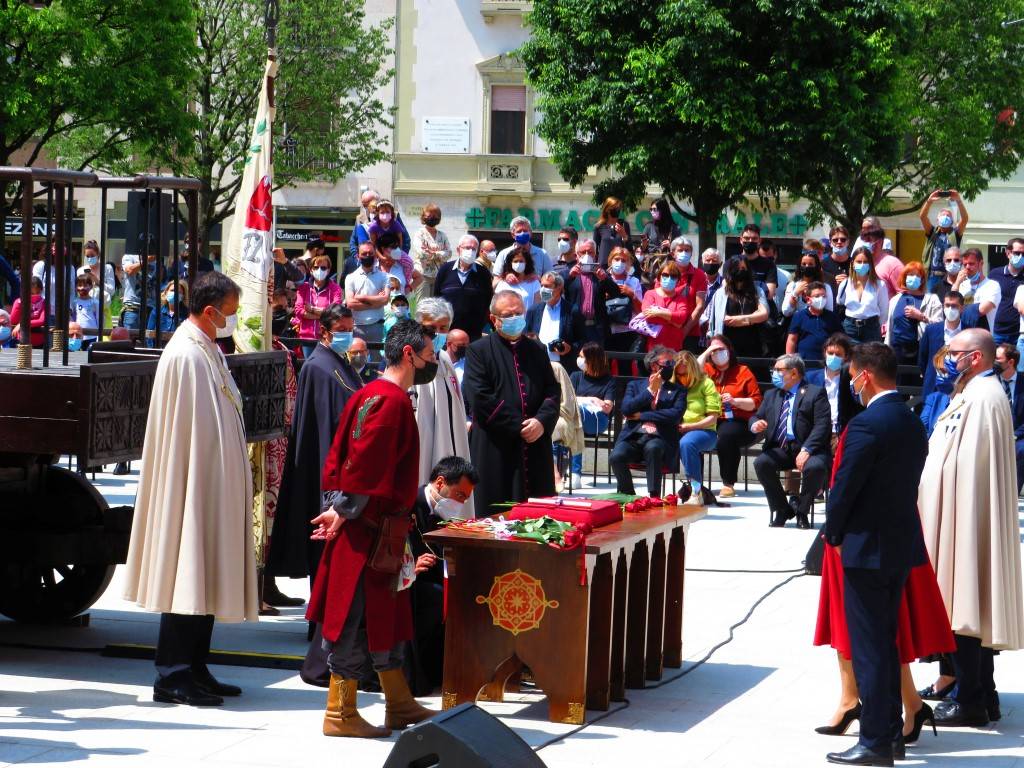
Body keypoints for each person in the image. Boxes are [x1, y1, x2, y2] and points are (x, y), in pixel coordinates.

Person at [123, 271, 253, 707]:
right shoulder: (186, 355)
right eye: (231, 314)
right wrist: (203, 483)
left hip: (211, 484)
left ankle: (196, 668)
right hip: (193, 486)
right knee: (188, 573)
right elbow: (188, 433)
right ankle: (173, 675)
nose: (233, 320)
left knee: (206, 576)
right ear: (210, 310)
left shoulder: (207, 349)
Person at [307, 320, 439, 738]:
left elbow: (345, 457)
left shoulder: (372, 393)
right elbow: (364, 465)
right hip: (368, 533)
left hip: (380, 530)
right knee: (355, 618)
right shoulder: (389, 401)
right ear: (409, 355)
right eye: (429, 356)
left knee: (387, 615)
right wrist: (343, 510)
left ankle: (398, 703)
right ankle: (340, 713)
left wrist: (339, 508)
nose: (431, 362)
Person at [820, 343, 939, 767]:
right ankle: (889, 734)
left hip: (866, 549)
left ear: (865, 375)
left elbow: (845, 488)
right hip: (900, 546)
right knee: (884, 643)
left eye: (852, 374)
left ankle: (874, 740)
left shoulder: (867, 424)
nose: (850, 381)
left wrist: (831, 535)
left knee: (871, 647)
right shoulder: (912, 420)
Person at [918, 329, 1024, 728]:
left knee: (964, 602)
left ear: (975, 358)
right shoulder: (970, 394)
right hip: (953, 510)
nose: (948, 359)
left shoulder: (984, 398)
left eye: (955, 353)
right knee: (963, 603)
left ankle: (971, 698)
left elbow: (970, 466)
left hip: (966, 513)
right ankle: (982, 694)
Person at [267, 303, 363, 585]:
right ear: (325, 332)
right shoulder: (317, 367)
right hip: (326, 467)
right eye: (341, 330)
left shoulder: (340, 363)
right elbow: (321, 426)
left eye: (350, 329)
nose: (346, 334)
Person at [462, 291, 561, 516]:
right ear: (494, 319)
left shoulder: (537, 349)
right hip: (496, 446)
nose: (515, 318)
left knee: (538, 514)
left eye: (519, 313)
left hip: (536, 442)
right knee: (496, 515)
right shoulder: (478, 351)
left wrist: (541, 422)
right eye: (508, 314)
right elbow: (480, 397)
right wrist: (520, 426)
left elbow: (552, 391)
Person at [407, 457, 479, 695]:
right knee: (437, 599)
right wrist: (409, 565)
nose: (461, 504)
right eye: (459, 495)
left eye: (466, 499)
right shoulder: (408, 504)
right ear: (440, 482)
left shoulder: (439, 510)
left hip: (429, 578)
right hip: (403, 583)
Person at [751, 353, 831, 529]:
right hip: (782, 447)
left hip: (810, 449)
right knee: (762, 463)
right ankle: (782, 509)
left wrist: (807, 449)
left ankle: (802, 511)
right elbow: (757, 416)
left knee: (816, 467)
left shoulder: (815, 393)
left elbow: (822, 426)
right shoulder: (772, 394)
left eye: (779, 370)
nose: (774, 373)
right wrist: (755, 424)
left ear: (794, 373)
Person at [413, 297, 473, 516]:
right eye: (431, 328)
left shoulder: (445, 359)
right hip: (426, 448)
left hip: (451, 444)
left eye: (443, 328)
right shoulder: (415, 362)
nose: (437, 333)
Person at [609, 346, 686, 498]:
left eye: (672, 363)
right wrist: (650, 391)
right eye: (667, 363)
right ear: (654, 366)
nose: (670, 367)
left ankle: (654, 496)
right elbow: (626, 409)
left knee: (653, 448)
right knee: (616, 456)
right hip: (634, 436)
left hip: (660, 438)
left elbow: (675, 415)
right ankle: (628, 495)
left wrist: (643, 415)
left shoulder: (679, 390)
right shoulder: (635, 386)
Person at [698, 335, 761, 498]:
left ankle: (728, 483)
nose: (717, 353)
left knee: (725, 436)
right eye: (714, 351)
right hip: (711, 418)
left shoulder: (743, 371)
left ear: (729, 351)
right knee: (693, 436)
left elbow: (755, 402)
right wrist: (708, 352)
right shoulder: (707, 370)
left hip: (738, 420)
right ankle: (695, 484)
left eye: (721, 349)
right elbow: (694, 370)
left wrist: (735, 401)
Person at [673, 350, 720, 499]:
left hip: (704, 431)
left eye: (686, 374)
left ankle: (696, 490)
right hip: (678, 429)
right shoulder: (673, 385)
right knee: (654, 444)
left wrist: (690, 427)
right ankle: (654, 493)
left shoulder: (706, 383)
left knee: (687, 443)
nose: (683, 378)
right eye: (679, 375)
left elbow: (712, 418)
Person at [569, 342, 615, 488]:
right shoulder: (576, 376)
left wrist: (585, 401)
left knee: (573, 418)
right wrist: (591, 399)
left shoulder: (608, 381)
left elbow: (607, 407)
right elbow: (566, 399)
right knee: (573, 422)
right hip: (576, 419)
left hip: (597, 421)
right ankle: (574, 473)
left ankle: (565, 467)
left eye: (582, 356)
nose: (579, 359)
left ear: (592, 359)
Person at [433, 234, 494, 341]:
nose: (470, 251)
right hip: (447, 331)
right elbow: (436, 298)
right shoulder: (445, 270)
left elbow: (488, 301)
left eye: (473, 249)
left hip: (473, 333)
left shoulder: (483, 273)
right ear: (458, 249)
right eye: (467, 248)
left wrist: (481, 323)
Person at [805, 334, 861, 449]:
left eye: (838, 354)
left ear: (846, 357)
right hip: (815, 433)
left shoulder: (852, 380)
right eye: (830, 353)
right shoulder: (809, 378)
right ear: (824, 353)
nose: (834, 357)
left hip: (841, 433)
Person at [707, 257, 770, 358]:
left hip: (754, 347)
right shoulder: (721, 293)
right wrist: (753, 317)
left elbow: (764, 314)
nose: (741, 271)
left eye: (743, 268)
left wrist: (740, 320)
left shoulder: (757, 291)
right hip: (728, 347)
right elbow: (720, 320)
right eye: (737, 268)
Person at [562, 237, 619, 345]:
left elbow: (616, 292)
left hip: (596, 328)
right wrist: (570, 277)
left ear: (595, 255)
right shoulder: (568, 273)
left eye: (590, 252)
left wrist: (605, 279)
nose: (587, 255)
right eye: (583, 252)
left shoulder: (600, 273)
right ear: (577, 255)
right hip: (575, 328)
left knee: (596, 361)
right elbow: (556, 291)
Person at [526, 271, 583, 370]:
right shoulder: (533, 310)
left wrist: (570, 348)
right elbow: (525, 335)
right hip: (538, 365)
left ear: (559, 287)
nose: (543, 289)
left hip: (563, 366)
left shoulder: (572, 310)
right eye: (542, 285)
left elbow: (582, 339)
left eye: (547, 286)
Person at [918, 291, 967, 399]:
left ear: (961, 308)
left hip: (960, 388)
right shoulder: (931, 330)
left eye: (954, 306)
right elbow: (923, 359)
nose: (950, 309)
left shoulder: (969, 332)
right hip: (933, 387)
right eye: (947, 305)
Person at [294, 253, 343, 359]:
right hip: (307, 338)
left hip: (327, 338)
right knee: (310, 366)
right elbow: (298, 311)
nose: (319, 270)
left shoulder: (335, 289)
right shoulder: (303, 288)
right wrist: (323, 314)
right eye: (316, 267)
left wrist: (312, 309)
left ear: (328, 270)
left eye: (323, 267)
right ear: (311, 270)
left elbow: (335, 311)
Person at [604, 247, 645, 375]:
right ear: (611, 260)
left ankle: (625, 392)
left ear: (628, 263)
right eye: (617, 259)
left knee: (625, 368)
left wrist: (632, 294)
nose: (620, 263)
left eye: (624, 260)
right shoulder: (603, 279)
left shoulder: (634, 281)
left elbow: (641, 311)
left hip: (627, 331)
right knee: (605, 367)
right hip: (607, 330)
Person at [836, 246, 888, 344]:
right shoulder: (845, 284)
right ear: (853, 263)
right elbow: (840, 303)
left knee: (871, 357)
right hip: (849, 328)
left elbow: (884, 311)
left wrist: (875, 325)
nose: (862, 264)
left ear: (871, 264)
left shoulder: (879, 284)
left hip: (871, 328)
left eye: (866, 262)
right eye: (859, 262)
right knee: (850, 357)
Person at [344, 241, 390, 353]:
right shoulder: (350, 277)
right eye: (364, 253)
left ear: (375, 255)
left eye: (370, 253)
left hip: (377, 327)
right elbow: (350, 304)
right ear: (358, 256)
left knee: (376, 365)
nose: (368, 256)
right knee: (356, 364)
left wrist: (361, 297)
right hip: (357, 328)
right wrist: (376, 301)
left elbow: (385, 300)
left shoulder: (384, 276)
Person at [920, 189, 968, 293]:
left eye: (948, 216)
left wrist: (958, 201)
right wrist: (929, 201)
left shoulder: (955, 233)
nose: (945, 217)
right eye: (943, 215)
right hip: (932, 276)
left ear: (952, 221)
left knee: (950, 301)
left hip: (950, 276)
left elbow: (964, 219)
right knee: (931, 303)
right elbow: (923, 217)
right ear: (937, 220)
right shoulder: (932, 232)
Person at [994, 343, 1024, 493]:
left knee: (1021, 450)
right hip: (992, 432)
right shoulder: (990, 381)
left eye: (998, 360)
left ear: (1010, 362)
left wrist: (1014, 435)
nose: (994, 363)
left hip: (1018, 435)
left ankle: (1012, 495)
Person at [885, 263, 928, 366]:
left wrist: (920, 316)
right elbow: (890, 328)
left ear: (922, 279)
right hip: (897, 351)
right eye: (910, 275)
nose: (913, 278)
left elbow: (937, 324)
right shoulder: (895, 300)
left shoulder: (930, 299)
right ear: (904, 278)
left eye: (917, 276)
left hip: (919, 350)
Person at [786, 282, 842, 363]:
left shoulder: (832, 317)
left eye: (823, 296)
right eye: (817, 296)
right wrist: (789, 360)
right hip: (804, 363)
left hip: (826, 363)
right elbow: (792, 340)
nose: (821, 299)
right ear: (808, 299)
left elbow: (840, 339)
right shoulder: (799, 316)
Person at [988, 236, 1024, 345]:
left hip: (1018, 334)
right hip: (996, 331)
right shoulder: (995, 274)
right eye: (1017, 253)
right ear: (1008, 253)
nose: (1021, 256)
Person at [410, 203, 450, 298]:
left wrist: (434, 253)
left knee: (436, 307)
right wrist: (440, 254)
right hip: (422, 275)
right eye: (429, 216)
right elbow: (421, 253)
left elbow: (449, 253)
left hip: (439, 276)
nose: (432, 218)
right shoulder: (419, 234)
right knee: (423, 306)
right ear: (423, 217)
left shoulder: (442, 235)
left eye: (435, 216)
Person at [956, 248, 1000, 332]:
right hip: (962, 334)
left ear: (981, 263)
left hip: (983, 335)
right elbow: (951, 305)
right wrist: (957, 283)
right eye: (965, 265)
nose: (967, 267)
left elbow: (982, 310)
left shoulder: (992, 285)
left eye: (971, 264)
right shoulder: (961, 285)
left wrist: (960, 308)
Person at [782, 248, 834, 317]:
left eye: (810, 264)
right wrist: (795, 293)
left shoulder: (826, 287)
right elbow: (786, 312)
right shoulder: (792, 285)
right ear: (799, 266)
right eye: (804, 264)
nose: (807, 267)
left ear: (816, 266)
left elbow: (829, 312)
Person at [919, 346, 953, 437]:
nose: (940, 375)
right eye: (937, 370)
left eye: (943, 371)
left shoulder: (971, 399)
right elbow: (923, 430)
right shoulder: (934, 398)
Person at [494, 248, 541, 313]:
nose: (518, 264)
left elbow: (538, 308)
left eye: (521, 261)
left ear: (527, 263)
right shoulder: (503, 283)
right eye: (515, 261)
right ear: (510, 263)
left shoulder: (534, 283)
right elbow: (496, 307)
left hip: (527, 322)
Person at [737, 223, 778, 299]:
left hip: (763, 308)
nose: (750, 241)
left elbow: (769, 294)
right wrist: (760, 285)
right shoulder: (730, 263)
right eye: (746, 238)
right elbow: (727, 291)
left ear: (759, 240)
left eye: (754, 238)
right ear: (741, 240)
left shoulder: (769, 265)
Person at [146, 280, 187, 348]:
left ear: (183, 296)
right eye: (172, 290)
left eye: (179, 292)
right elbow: (149, 335)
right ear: (166, 292)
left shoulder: (187, 314)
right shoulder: (156, 312)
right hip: (158, 352)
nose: (174, 293)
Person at [592, 196, 632, 267]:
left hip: (620, 265)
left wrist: (624, 236)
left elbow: (629, 249)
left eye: (618, 209)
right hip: (604, 265)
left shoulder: (624, 225)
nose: (617, 211)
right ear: (607, 209)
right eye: (614, 209)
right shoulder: (599, 226)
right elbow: (594, 250)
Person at [10, 275, 46, 348]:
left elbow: (41, 320)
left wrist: (22, 324)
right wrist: (19, 304)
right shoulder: (19, 302)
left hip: (39, 342)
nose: (35, 295)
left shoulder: (44, 303)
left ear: (41, 290)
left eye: (38, 292)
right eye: (32, 293)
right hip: (21, 341)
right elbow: (13, 320)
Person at [72, 271, 100, 347]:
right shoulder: (75, 302)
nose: (82, 288)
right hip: (77, 335)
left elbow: (99, 318)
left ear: (90, 286)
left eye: (85, 285)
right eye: (79, 285)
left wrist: (98, 335)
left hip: (92, 335)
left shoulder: (95, 302)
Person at [822, 226, 851, 292]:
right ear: (830, 243)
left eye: (843, 239)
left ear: (848, 242)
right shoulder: (822, 264)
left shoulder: (855, 263)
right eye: (835, 240)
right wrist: (833, 282)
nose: (839, 242)